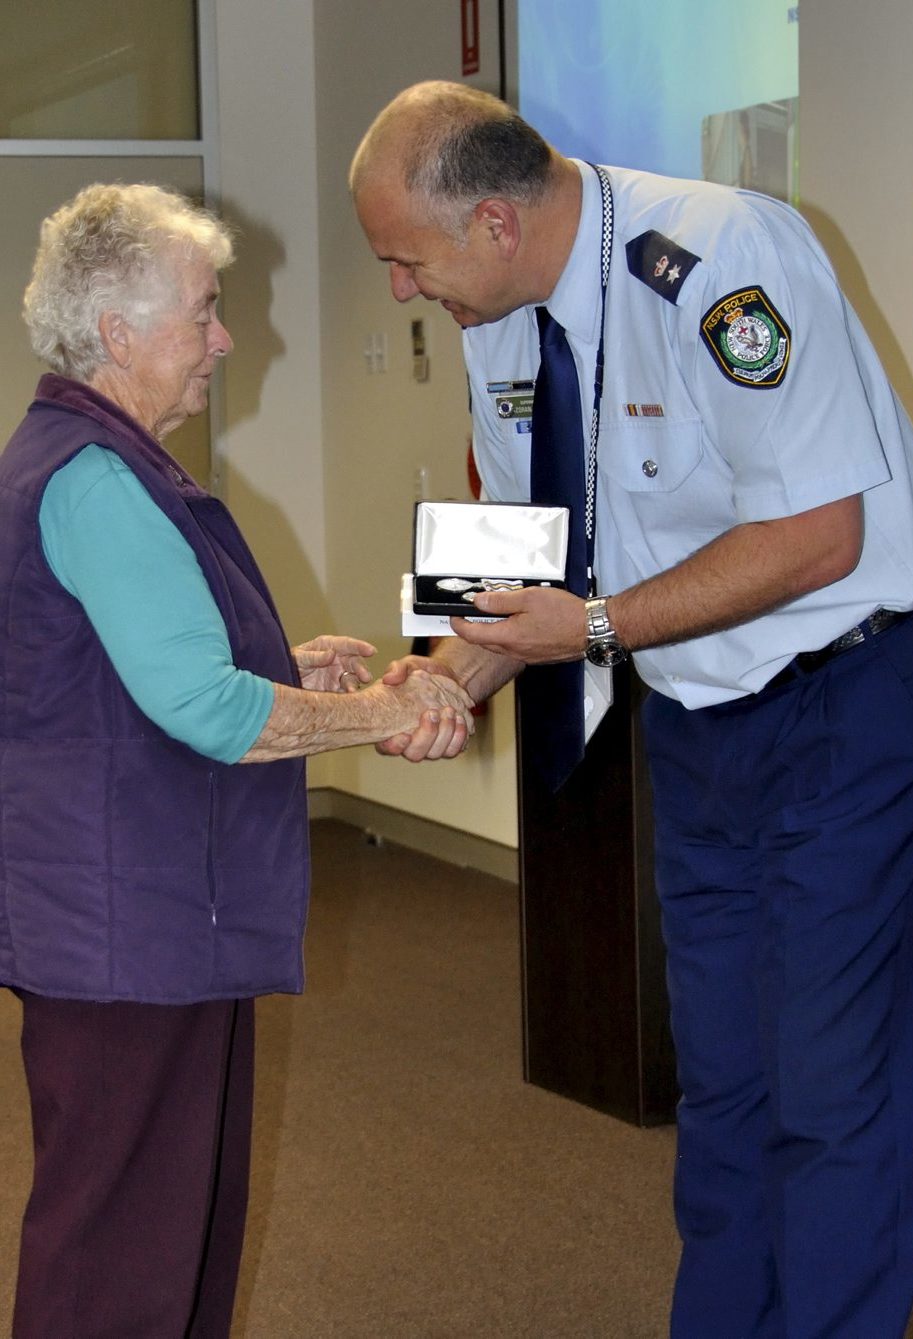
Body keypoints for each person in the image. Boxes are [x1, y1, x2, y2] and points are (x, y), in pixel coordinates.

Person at [350, 81, 913, 1338]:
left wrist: (596, 629)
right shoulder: (500, 317)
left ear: (497, 224)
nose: (402, 291)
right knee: (726, 1084)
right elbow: (532, 561)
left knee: (835, 1090)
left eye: (404, 260)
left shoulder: (723, 259)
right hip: (697, 721)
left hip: (855, 693)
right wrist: (436, 680)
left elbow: (816, 537)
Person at [0, 181, 474, 1339]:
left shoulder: (87, 460)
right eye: (205, 311)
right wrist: (382, 706)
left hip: (134, 921)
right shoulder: (99, 481)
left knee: (164, 1236)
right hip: (125, 933)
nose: (224, 337)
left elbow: (128, 671)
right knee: (119, 1256)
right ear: (119, 335)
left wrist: (289, 665)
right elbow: (210, 712)